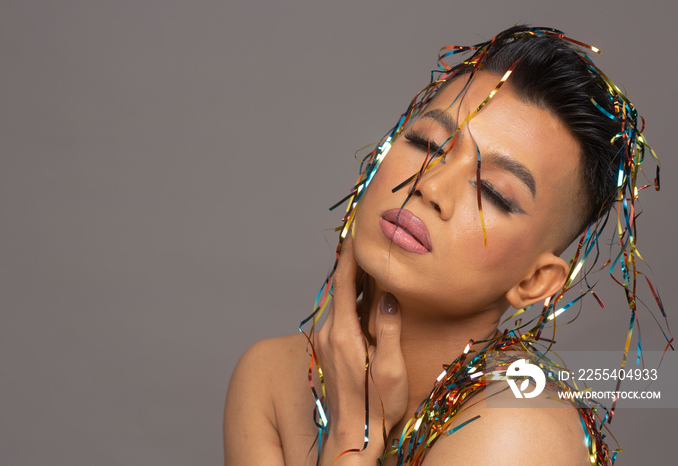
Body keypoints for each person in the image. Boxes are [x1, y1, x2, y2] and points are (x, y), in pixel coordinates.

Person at [224, 25, 665, 465]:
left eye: (492, 191)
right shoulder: (272, 376)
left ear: (534, 281)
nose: (430, 187)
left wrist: (348, 443)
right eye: (427, 143)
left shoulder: (520, 428)